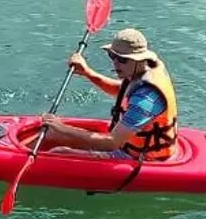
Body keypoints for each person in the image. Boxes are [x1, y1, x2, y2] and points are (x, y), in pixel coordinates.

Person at [31, 28, 178, 163]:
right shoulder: (142, 71)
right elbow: (121, 91)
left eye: (123, 59)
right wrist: (88, 73)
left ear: (139, 59)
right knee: (51, 134)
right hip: (126, 144)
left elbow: (112, 143)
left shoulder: (146, 100)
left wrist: (63, 128)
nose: (116, 63)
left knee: (60, 152)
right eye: (112, 56)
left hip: (139, 158)